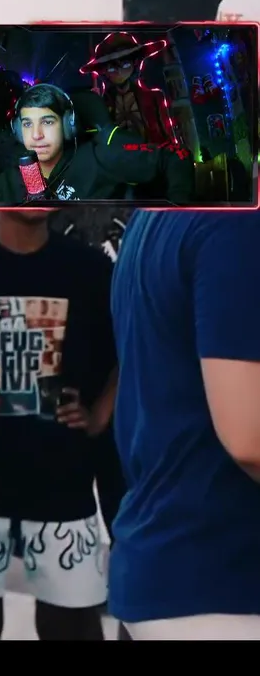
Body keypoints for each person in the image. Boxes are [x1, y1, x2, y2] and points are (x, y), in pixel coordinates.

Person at [0, 207, 117, 641]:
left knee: (72, 625)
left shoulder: (90, 269)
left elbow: (130, 346)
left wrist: (100, 413)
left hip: (64, 482)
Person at [108, 209, 260, 639]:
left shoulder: (162, 214)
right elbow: (250, 439)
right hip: (221, 578)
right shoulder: (237, 223)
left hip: (175, 560)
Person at [0, 84, 194, 205]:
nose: (36, 135)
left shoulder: (100, 156)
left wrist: (175, 214)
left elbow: (176, 155)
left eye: (47, 122)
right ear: (18, 129)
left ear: (68, 124)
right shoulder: (10, 181)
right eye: (27, 124)